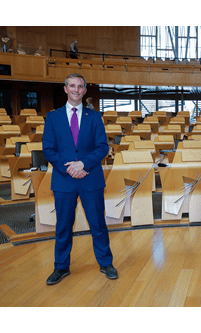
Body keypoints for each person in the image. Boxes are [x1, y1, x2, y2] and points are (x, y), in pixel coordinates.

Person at [42, 73, 117, 285]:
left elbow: (103, 147)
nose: (76, 89)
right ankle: (61, 267)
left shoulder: (95, 117)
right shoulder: (53, 117)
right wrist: (69, 169)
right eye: (72, 86)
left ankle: (105, 263)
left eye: (80, 86)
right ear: (65, 89)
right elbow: (48, 149)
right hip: (64, 180)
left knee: (98, 224)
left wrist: (82, 164)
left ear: (85, 91)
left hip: (90, 178)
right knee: (63, 226)